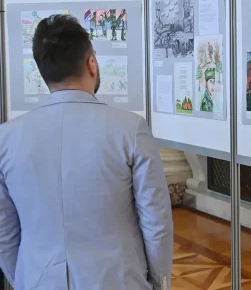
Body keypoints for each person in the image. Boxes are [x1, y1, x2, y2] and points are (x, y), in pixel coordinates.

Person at [0, 15, 172, 289]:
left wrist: (25, 279)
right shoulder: (130, 129)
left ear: (43, 73)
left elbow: (5, 233)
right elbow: (156, 222)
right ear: (92, 64)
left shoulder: (6, 138)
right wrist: (158, 281)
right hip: (119, 280)